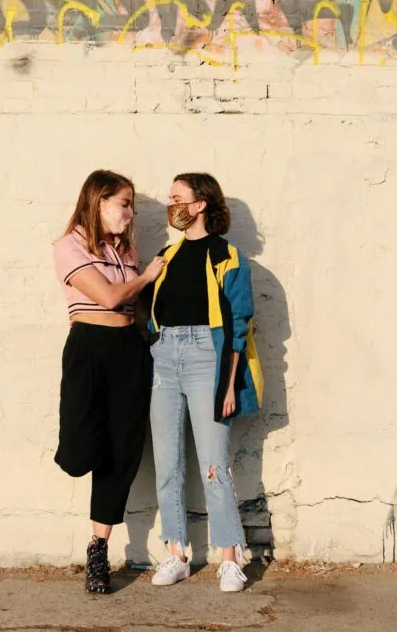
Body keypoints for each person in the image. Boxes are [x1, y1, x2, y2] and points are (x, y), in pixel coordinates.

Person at [145, 172, 264, 593]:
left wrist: (229, 384)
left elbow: (238, 324)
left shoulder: (227, 255)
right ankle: (176, 553)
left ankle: (230, 559)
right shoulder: (166, 256)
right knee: (167, 461)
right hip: (164, 357)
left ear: (200, 204)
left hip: (206, 358)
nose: (170, 205)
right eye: (169, 198)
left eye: (177, 198)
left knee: (213, 463)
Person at [52, 169, 166, 594]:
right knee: (80, 450)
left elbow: (134, 307)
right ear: (98, 202)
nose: (130, 213)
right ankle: (84, 459)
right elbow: (110, 296)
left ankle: (98, 549)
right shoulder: (69, 246)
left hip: (128, 349)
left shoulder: (126, 251)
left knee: (122, 452)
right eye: (124, 204)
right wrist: (147, 276)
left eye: (132, 204)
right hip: (89, 347)